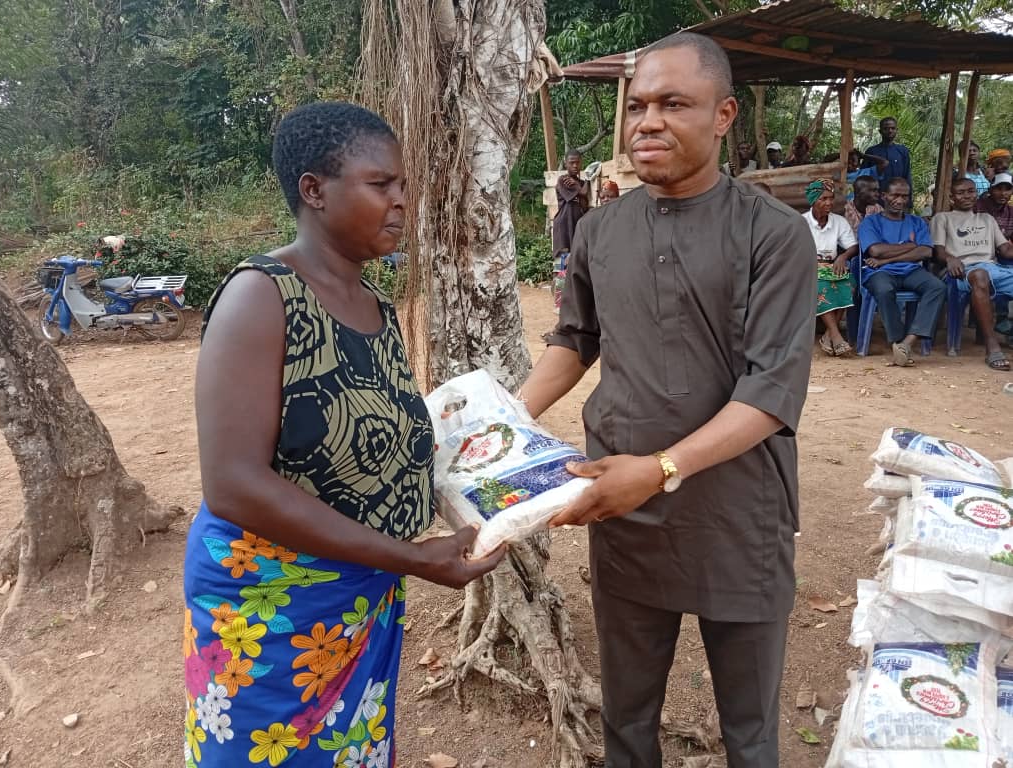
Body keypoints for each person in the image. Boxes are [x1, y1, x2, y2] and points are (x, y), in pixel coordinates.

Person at [519, 33, 815, 768]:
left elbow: (772, 391)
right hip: (624, 512)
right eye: (638, 104)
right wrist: (506, 421)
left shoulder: (774, 236)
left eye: (672, 104)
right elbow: (574, 337)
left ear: (723, 116)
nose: (646, 121)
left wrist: (658, 468)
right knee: (627, 723)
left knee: (749, 735)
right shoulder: (600, 228)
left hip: (738, 519)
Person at [183, 102, 505, 768]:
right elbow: (234, 484)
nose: (401, 202)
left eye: (403, 187)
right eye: (381, 184)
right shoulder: (262, 295)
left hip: (355, 600)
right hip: (270, 611)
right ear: (315, 191)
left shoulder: (374, 306)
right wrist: (414, 558)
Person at [857, 177, 945, 366]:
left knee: (937, 286)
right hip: (878, 272)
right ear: (884, 196)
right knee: (884, 290)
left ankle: (908, 342)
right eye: (895, 195)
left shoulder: (917, 222)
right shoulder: (870, 222)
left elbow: (926, 251)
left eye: (904, 196)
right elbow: (875, 250)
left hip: (910, 270)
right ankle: (896, 341)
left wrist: (888, 259)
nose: (900, 200)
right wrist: (911, 246)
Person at [931, 176, 1013, 370]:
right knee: (979, 275)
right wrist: (950, 259)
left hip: (994, 269)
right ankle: (992, 346)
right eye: (961, 193)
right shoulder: (943, 218)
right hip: (961, 271)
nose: (967, 196)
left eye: (970, 191)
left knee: (984, 273)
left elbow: (1005, 250)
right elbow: (938, 251)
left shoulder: (987, 219)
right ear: (952, 198)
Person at [804, 179, 857, 356]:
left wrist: (843, 256)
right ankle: (836, 336)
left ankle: (828, 336)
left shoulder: (839, 221)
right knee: (821, 285)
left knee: (849, 283)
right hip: (807, 268)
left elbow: (853, 246)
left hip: (831, 265)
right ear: (813, 200)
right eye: (824, 199)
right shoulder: (801, 222)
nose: (829, 203)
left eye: (831, 198)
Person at [553, 149, 591, 312]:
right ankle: (560, 306)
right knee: (562, 264)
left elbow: (584, 203)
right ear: (566, 163)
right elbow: (583, 193)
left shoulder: (579, 182)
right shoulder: (562, 180)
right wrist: (581, 186)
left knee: (576, 265)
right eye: (571, 162)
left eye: (577, 162)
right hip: (564, 228)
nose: (575, 166)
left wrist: (581, 184)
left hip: (576, 228)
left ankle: (574, 307)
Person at [862, 117, 913, 203]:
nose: (890, 131)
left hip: (897, 200)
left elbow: (907, 177)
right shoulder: (871, 151)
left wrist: (908, 201)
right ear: (880, 131)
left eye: (892, 128)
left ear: (897, 130)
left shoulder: (902, 151)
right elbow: (863, 177)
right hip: (876, 201)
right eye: (886, 128)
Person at [975, 172, 1013, 240]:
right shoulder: (976, 207)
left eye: (1007, 189)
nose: (1003, 193)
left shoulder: (1011, 212)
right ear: (990, 190)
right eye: (998, 189)